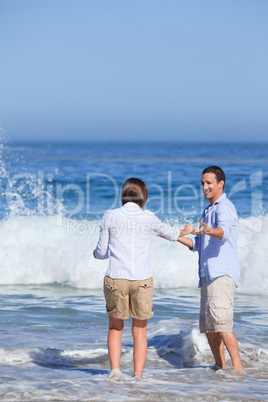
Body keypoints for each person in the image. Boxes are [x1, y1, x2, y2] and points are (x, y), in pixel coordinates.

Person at [93, 177, 192, 379]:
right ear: (143, 197)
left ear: (123, 195)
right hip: (142, 280)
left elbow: (102, 252)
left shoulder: (110, 216)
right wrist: (186, 231)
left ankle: (115, 371)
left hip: (116, 278)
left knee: (115, 327)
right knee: (140, 331)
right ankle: (137, 376)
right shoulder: (148, 217)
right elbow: (172, 235)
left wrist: (95, 254)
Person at [177, 166, 243, 371]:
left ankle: (239, 370)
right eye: (202, 183)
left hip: (221, 273)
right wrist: (174, 236)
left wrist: (208, 229)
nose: (204, 187)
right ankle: (219, 367)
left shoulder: (225, 206)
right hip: (207, 275)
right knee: (211, 328)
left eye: (209, 183)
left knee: (223, 326)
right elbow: (198, 245)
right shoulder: (208, 209)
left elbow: (223, 232)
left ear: (220, 184)